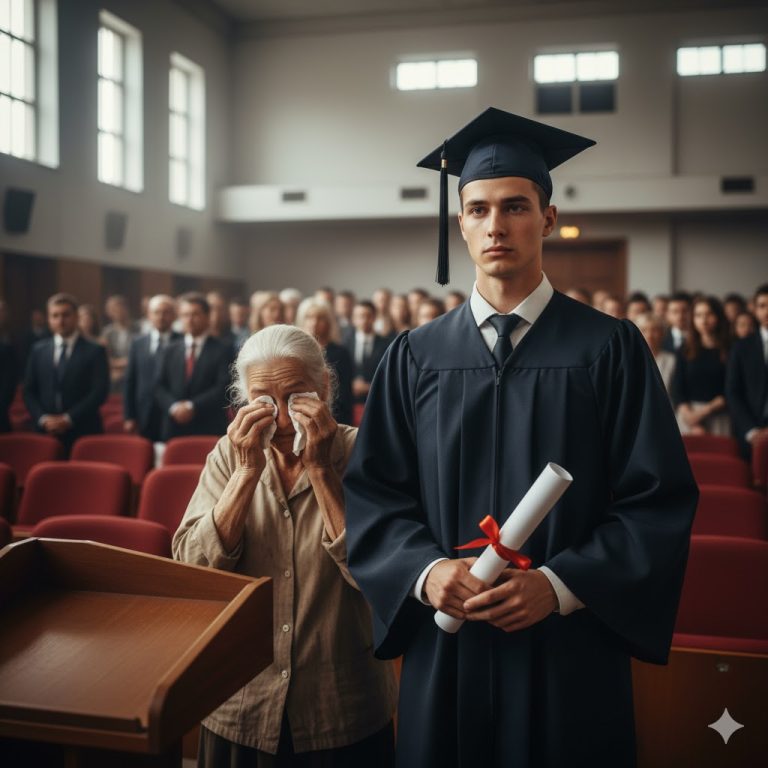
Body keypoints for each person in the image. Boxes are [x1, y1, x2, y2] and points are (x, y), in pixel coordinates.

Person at [343, 108, 697, 768]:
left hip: (569, 649)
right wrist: (425, 574)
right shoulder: (415, 356)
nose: (495, 225)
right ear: (461, 224)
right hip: (450, 645)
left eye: (514, 206)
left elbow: (657, 501)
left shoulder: (609, 349)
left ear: (548, 216)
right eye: (478, 210)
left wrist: (560, 585)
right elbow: (374, 496)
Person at [173, 325, 397, 767]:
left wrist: (320, 470)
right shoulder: (226, 454)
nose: (280, 419)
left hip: (340, 702)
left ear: (325, 387)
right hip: (240, 698)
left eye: (295, 397)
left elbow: (378, 576)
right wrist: (244, 474)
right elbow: (193, 569)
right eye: (262, 401)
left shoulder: (365, 452)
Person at [23, 293, 109, 452]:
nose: (60, 320)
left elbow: (99, 392)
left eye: (65, 315)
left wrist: (68, 419)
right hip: (44, 430)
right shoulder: (38, 350)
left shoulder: (95, 350)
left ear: (76, 317)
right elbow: (29, 390)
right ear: (49, 319)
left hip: (84, 429)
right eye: (55, 315)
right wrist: (43, 418)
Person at [155, 293, 233, 440]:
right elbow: (159, 386)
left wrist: (192, 406)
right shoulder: (169, 349)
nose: (189, 319)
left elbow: (223, 387)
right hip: (173, 425)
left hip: (208, 425)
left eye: (195, 314)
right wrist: (174, 407)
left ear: (207, 316)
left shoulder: (223, 349)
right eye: (185, 315)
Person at [123, 295, 181, 441]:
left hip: (172, 411)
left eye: (166, 312)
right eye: (156, 312)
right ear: (149, 315)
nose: (161, 317)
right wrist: (129, 416)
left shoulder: (183, 342)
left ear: (174, 316)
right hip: (144, 411)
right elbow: (131, 380)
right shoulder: (138, 343)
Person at [672, 296, 731, 436]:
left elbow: (731, 389)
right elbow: (677, 388)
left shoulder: (731, 349)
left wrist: (703, 412)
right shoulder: (685, 348)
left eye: (709, 314)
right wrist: (690, 417)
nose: (703, 320)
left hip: (719, 414)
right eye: (698, 315)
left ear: (718, 316)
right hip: (688, 415)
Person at [297, 297, 354, 426]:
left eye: (320, 318)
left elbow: (345, 395)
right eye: (309, 317)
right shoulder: (296, 351)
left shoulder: (341, 353)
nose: (314, 322)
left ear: (328, 322)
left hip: (335, 418)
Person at [726, 283, 768, 457]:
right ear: (755, 310)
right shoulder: (741, 347)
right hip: (751, 432)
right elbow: (733, 391)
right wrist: (751, 430)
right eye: (762, 306)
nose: (767, 311)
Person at [344, 300, 388, 405]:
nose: (364, 320)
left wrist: (369, 386)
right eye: (360, 316)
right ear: (353, 319)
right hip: (349, 402)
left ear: (374, 318)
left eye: (368, 316)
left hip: (375, 400)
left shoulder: (386, 344)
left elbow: (387, 373)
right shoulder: (344, 343)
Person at [101, 294, 139, 393]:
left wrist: (124, 366)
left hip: (135, 369)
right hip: (115, 372)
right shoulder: (107, 332)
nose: (117, 312)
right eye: (113, 310)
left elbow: (141, 355)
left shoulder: (139, 329)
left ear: (126, 309)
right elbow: (105, 357)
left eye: (119, 308)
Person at [634, 311, 676, 396]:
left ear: (663, 333)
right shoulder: (631, 359)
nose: (649, 335)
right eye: (644, 330)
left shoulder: (672, 360)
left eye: (654, 330)